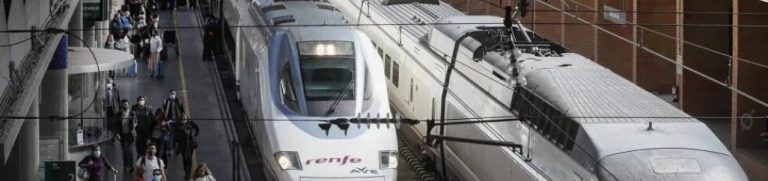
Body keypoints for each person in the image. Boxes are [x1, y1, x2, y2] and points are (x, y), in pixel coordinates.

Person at [114, 99, 137, 172]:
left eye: (126, 104)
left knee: (130, 151)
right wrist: (116, 133)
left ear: (128, 105)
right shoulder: (118, 114)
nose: (125, 106)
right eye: (124, 104)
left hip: (130, 135)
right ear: (121, 105)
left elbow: (136, 122)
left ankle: (131, 166)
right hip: (122, 135)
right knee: (124, 151)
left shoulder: (132, 113)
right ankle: (125, 165)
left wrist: (134, 124)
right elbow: (115, 125)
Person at [174, 114, 199, 180]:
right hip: (183, 145)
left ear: (186, 118)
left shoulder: (190, 123)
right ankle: (186, 172)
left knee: (189, 158)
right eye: (182, 118)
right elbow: (175, 136)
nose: (183, 118)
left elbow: (197, 128)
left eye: (184, 117)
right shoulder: (178, 126)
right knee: (184, 159)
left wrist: (195, 136)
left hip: (190, 144)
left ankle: (189, 173)